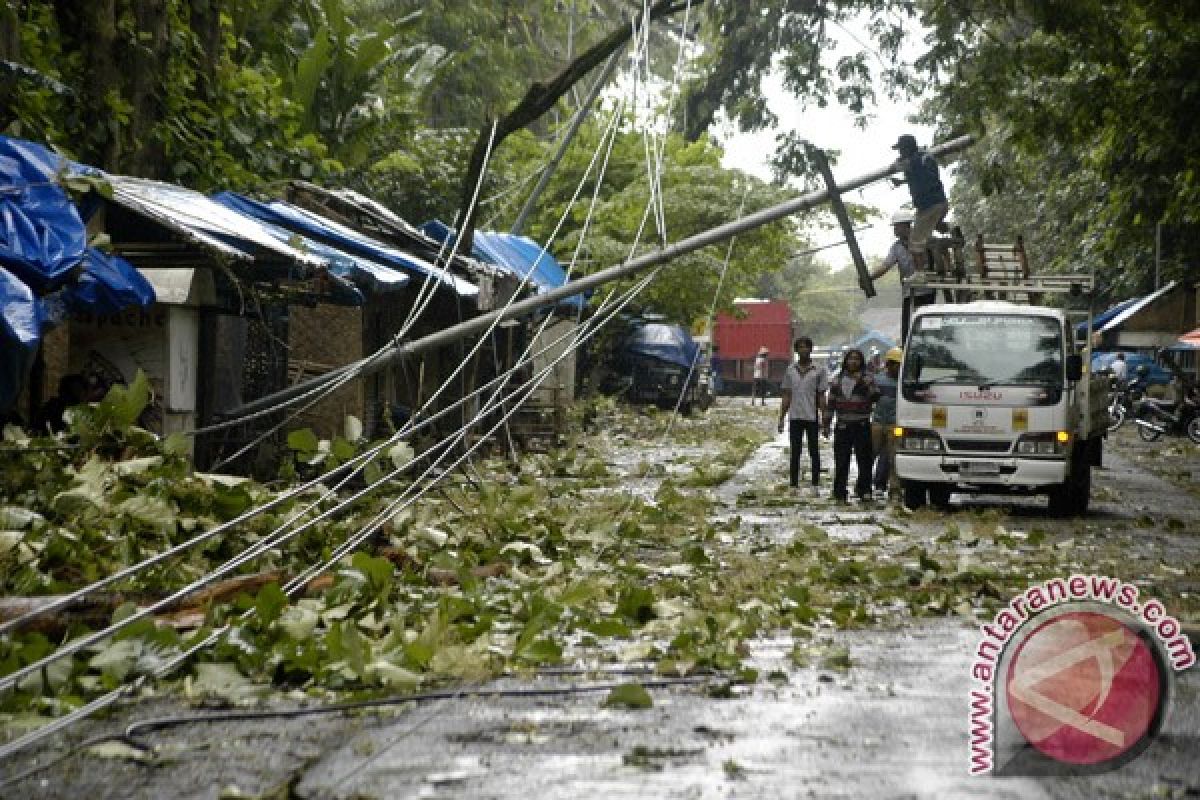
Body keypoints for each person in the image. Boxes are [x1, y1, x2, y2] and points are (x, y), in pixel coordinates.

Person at [869, 207, 937, 339]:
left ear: (906, 226)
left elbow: (939, 256)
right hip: (908, 293)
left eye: (897, 226)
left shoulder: (925, 240)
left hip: (926, 291)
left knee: (926, 328)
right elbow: (885, 266)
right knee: (907, 332)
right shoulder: (896, 247)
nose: (895, 230)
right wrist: (870, 277)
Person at [825, 348, 879, 504]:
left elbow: (875, 396)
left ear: (861, 362)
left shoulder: (868, 379)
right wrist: (826, 424)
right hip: (842, 425)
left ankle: (865, 490)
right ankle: (840, 492)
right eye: (850, 359)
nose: (853, 361)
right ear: (845, 361)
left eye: (857, 359)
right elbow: (831, 403)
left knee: (864, 460)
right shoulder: (837, 380)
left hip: (862, 425)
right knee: (841, 460)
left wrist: (863, 381)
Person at [777, 337, 829, 494]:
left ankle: (815, 485)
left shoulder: (819, 370)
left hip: (811, 416)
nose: (804, 350)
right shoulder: (790, 370)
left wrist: (824, 418)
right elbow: (787, 395)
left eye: (806, 347)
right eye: (800, 347)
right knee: (795, 451)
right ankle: (793, 484)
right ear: (796, 350)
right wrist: (781, 418)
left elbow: (821, 396)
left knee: (814, 451)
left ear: (811, 349)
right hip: (795, 416)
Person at [890, 134, 948, 272]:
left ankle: (920, 273)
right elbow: (923, 177)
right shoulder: (927, 156)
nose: (900, 152)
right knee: (929, 230)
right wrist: (903, 182)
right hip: (941, 202)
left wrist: (899, 161)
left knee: (914, 243)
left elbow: (896, 166)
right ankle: (943, 226)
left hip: (928, 207)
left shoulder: (912, 161)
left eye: (901, 149)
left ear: (906, 148)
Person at [871, 347, 903, 499]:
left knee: (893, 456)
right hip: (877, 424)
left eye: (900, 364)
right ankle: (867, 485)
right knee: (872, 454)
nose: (898, 367)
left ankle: (894, 489)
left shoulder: (904, 382)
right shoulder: (878, 380)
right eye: (895, 364)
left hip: (895, 425)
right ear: (888, 364)